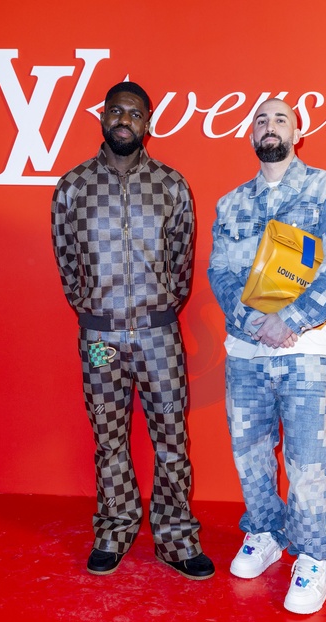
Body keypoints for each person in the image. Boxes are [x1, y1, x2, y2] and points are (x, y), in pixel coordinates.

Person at [52, 81, 214, 580]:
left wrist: (159, 309)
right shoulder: (74, 186)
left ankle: (176, 537)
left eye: (135, 113)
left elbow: (182, 259)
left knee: (171, 438)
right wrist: (92, 311)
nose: (125, 120)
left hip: (158, 337)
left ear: (148, 123)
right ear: (102, 116)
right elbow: (65, 259)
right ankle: (114, 529)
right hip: (99, 340)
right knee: (109, 438)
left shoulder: (170, 185)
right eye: (116, 111)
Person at [208, 98, 326, 613]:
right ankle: (264, 533)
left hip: (305, 350)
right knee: (249, 451)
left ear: (297, 133)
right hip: (245, 350)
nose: (269, 126)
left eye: (281, 119)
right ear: (250, 134)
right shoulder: (231, 203)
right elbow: (220, 273)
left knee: (307, 458)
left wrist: (291, 320)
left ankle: (315, 557)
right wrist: (254, 323)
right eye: (261, 119)